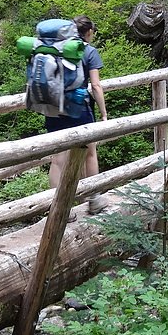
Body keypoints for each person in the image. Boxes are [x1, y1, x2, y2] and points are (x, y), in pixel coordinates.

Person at [46, 15, 109, 214]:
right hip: (79, 107)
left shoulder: (56, 49)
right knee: (89, 152)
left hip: (54, 107)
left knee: (58, 159)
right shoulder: (89, 51)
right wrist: (104, 113)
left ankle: (60, 209)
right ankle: (93, 200)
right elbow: (96, 86)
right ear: (89, 32)